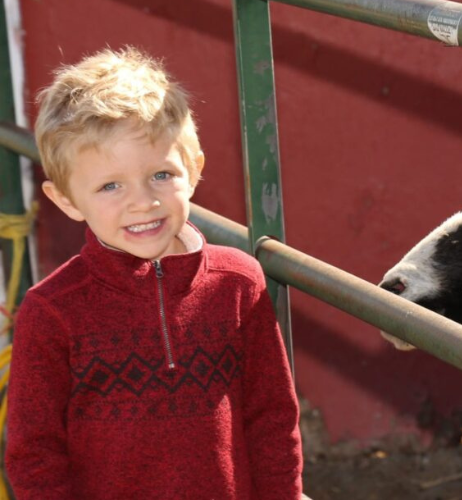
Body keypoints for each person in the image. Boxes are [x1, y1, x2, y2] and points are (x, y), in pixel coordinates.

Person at [5, 47, 303, 499]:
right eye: (110, 185)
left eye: (161, 175)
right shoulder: (51, 311)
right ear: (66, 200)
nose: (142, 201)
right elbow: (34, 452)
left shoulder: (240, 283)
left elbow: (272, 415)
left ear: (195, 168)